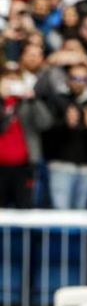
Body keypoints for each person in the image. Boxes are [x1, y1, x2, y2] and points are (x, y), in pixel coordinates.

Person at [44, 62, 87, 210]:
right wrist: (66, 125)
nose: (78, 82)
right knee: (61, 212)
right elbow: (46, 131)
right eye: (75, 78)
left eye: (83, 79)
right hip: (61, 164)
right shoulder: (56, 100)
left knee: (81, 213)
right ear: (67, 79)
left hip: (86, 166)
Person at [1, 63, 53, 208]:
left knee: (25, 210)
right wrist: (2, 100)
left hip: (24, 166)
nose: (11, 82)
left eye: (15, 78)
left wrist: (33, 100)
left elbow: (46, 123)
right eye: (7, 78)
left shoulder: (27, 102)